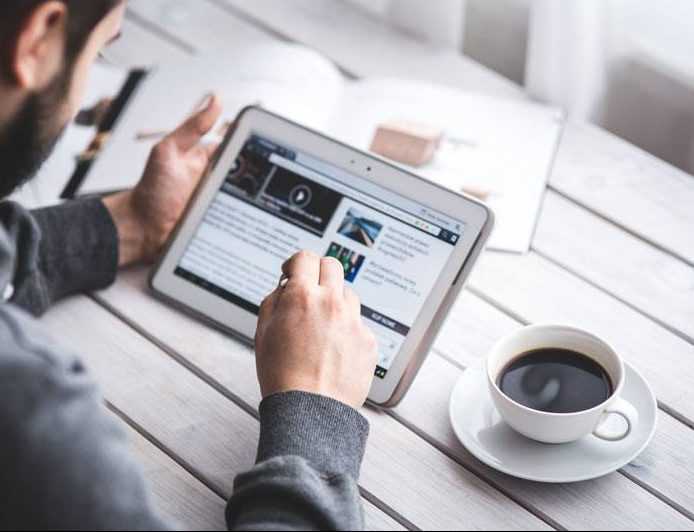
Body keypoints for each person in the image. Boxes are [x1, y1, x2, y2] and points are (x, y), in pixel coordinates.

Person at [0, 1, 379, 530]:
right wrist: (315, 411)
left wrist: (129, 224)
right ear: (39, 38)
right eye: (99, 50)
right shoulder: (29, 413)